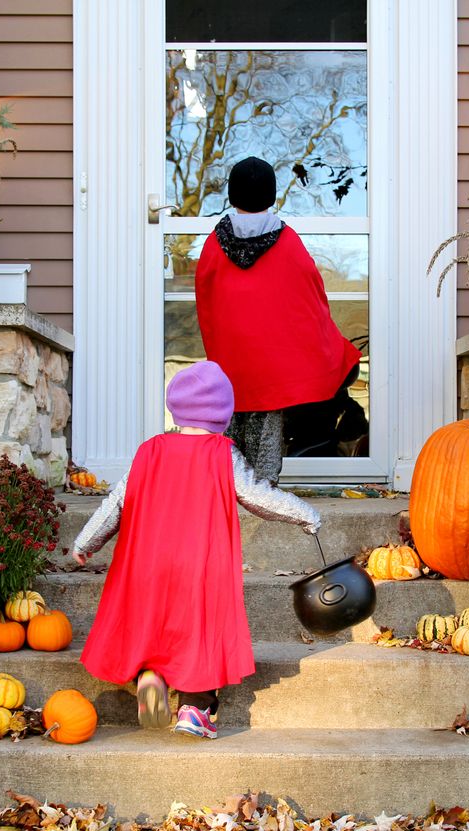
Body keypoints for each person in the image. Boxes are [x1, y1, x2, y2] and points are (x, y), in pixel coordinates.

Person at [72, 360, 321, 739]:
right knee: (196, 634)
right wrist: (305, 514)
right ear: (223, 414)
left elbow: (115, 504)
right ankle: (195, 709)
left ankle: (151, 677)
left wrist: (85, 542)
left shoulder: (149, 451)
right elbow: (258, 497)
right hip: (199, 566)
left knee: (152, 623)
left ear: (175, 407)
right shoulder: (223, 453)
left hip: (147, 565)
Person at [195, 156, 363, 484]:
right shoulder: (286, 242)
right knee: (267, 428)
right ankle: (264, 490)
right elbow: (311, 299)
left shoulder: (216, 243)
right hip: (272, 367)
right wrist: (327, 343)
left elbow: (206, 298)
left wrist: (218, 349)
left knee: (230, 426)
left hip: (233, 359)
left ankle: (231, 489)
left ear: (232, 196)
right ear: (271, 196)